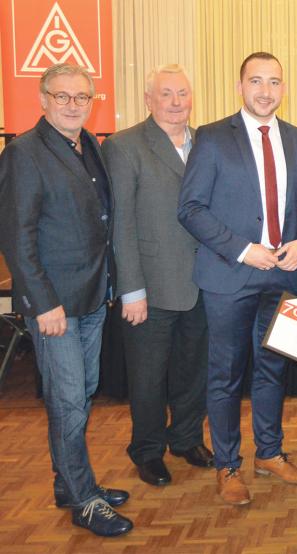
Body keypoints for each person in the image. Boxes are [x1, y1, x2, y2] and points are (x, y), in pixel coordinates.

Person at [178, 52, 297, 505]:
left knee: (272, 368)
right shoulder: (213, 137)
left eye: (274, 82)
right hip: (229, 276)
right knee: (225, 375)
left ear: (283, 88)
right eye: (256, 81)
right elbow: (191, 208)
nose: (265, 91)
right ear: (240, 86)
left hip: (282, 277)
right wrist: (243, 250)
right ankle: (227, 465)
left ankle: (270, 453)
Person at [0, 63, 132, 536]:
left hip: (94, 295)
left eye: (82, 97)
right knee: (69, 401)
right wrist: (43, 302)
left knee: (81, 392)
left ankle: (68, 481)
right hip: (55, 305)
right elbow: (17, 237)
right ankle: (83, 498)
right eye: (63, 97)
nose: (74, 105)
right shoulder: (23, 153)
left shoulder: (91, 144)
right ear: (43, 99)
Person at [103, 64, 212, 487]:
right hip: (150, 286)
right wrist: (131, 289)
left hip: (203, 283)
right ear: (148, 100)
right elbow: (122, 224)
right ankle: (147, 451)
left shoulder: (206, 142)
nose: (175, 103)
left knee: (192, 371)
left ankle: (185, 438)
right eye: (165, 94)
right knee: (148, 378)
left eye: (182, 94)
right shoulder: (125, 145)